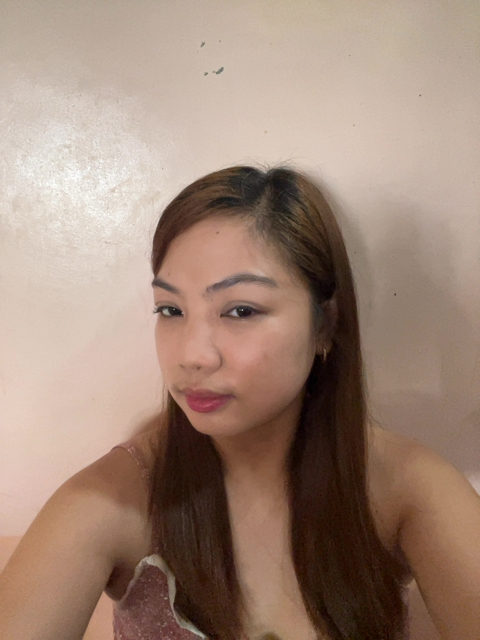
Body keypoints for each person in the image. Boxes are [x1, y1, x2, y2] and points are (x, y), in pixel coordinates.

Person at [0, 166, 479, 640]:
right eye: (171, 309)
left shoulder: (404, 487)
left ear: (325, 325)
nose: (192, 356)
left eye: (241, 310)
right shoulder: (114, 499)